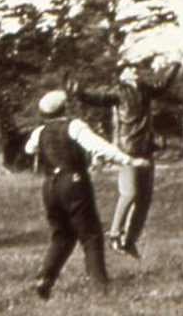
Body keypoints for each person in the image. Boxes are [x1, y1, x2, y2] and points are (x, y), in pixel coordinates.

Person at [25, 90, 151, 300]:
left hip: (49, 186)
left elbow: (29, 149)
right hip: (73, 182)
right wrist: (129, 160)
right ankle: (101, 288)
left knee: (62, 235)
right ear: (65, 108)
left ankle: (45, 277)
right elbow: (98, 147)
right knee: (91, 235)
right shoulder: (74, 126)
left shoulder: (40, 132)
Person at [68, 59, 179, 259]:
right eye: (129, 68)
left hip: (146, 150)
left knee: (144, 199)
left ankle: (129, 242)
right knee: (130, 194)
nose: (135, 70)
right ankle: (115, 235)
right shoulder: (119, 92)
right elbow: (97, 98)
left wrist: (176, 66)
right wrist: (78, 92)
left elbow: (162, 87)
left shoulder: (145, 89)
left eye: (135, 67)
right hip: (128, 151)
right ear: (123, 75)